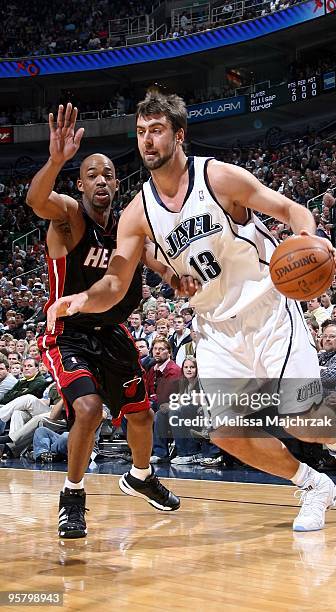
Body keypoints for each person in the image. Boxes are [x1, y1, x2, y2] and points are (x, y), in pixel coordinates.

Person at [48, 92, 336, 533]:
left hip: (267, 309)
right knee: (221, 430)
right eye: (141, 132)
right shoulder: (137, 213)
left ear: (179, 135)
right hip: (215, 328)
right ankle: (312, 484)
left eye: (157, 130)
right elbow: (113, 284)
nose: (147, 141)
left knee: (300, 419)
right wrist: (80, 301)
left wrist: (311, 239)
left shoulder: (218, 177)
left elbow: (290, 209)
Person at [26, 103, 196, 539]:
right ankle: (72, 497)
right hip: (70, 333)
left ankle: (141, 476)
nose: (101, 180)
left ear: (116, 183)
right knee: (88, 409)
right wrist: (57, 160)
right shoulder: (69, 217)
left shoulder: (125, 225)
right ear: (80, 184)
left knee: (141, 417)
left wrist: (173, 276)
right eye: (92, 175)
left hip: (113, 333)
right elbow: (35, 200)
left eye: (108, 174)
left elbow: (151, 257)